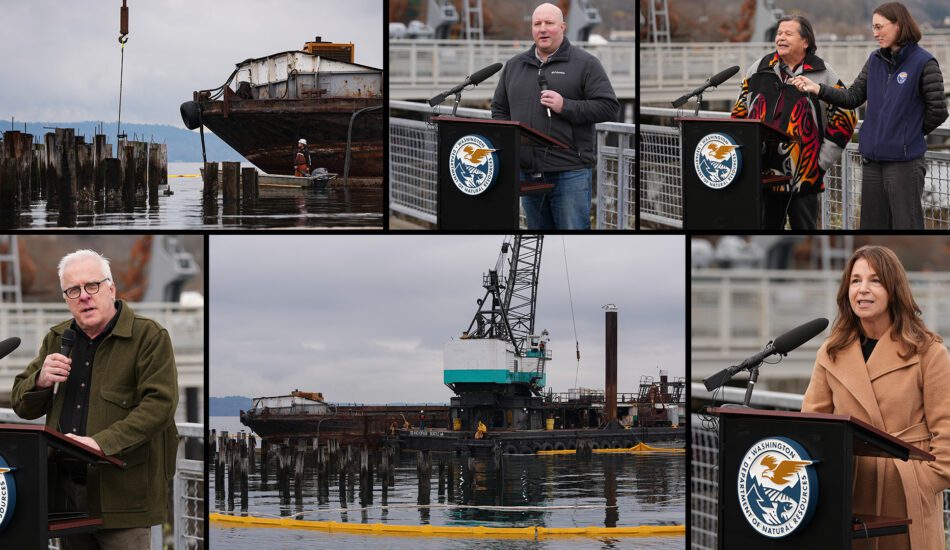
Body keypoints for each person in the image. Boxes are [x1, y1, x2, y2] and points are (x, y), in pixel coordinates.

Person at [11, 249, 179, 549]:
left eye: (92, 286)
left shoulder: (149, 337)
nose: (84, 296)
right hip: (68, 496)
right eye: (73, 290)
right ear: (66, 298)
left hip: (123, 496)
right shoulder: (57, 338)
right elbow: (22, 406)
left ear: (111, 288)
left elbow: (160, 406)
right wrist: (40, 380)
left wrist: (102, 443)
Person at [802, 245, 950, 549]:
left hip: (907, 490)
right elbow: (812, 427)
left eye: (875, 281)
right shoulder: (830, 353)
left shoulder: (928, 351)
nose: (863, 290)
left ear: (894, 289)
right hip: (849, 487)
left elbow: (947, 433)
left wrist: (922, 484)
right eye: (855, 281)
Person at [792, 2, 949, 230]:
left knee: (907, 226)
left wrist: (907, 134)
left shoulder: (924, 62)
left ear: (898, 25)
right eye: (873, 27)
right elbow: (853, 96)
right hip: (873, 162)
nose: (875, 33)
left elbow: (939, 111)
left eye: (879, 27)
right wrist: (818, 89)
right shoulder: (875, 60)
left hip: (904, 164)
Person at [491, 2, 619, 230]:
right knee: (538, 238)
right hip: (528, 173)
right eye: (537, 24)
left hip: (569, 171)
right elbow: (499, 110)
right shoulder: (514, 66)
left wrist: (565, 106)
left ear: (562, 27)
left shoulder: (586, 64)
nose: (542, 29)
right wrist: (511, 147)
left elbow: (609, 106)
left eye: (549, 23)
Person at [731, 15, 857, 230]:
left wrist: (820, 163)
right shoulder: (759, 69)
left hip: (804, 179)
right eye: (779, 33)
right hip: (762, 175)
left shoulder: (823, 73)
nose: (781, 38)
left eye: (788, 33)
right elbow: (739, 113)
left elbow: (846, 115)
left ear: (805, 41)